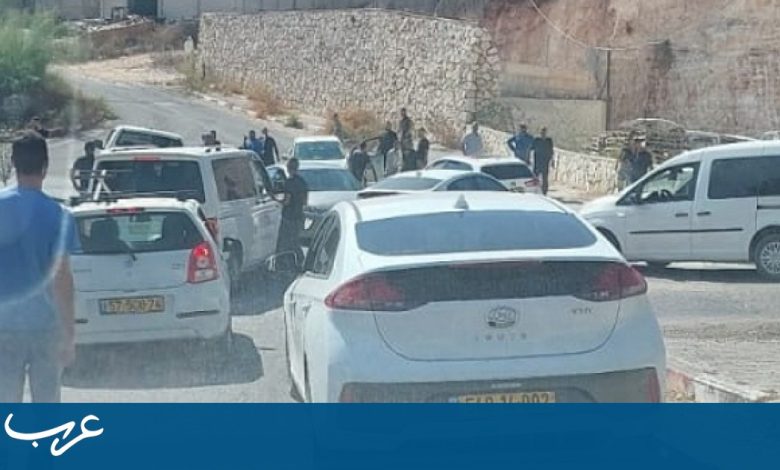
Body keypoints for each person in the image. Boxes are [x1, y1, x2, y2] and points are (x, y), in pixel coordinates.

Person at [0, 132, 79, 403]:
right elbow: (62, 279)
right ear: (45, 167)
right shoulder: (59, 216)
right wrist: (69, 333)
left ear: (13, 164)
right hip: (45, 328)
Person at [277, 158, 308, 265]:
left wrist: (277, 201)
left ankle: (287, 262)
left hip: (289, 216)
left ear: (288, 168)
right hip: (299, 215)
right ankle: (300, 260)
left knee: (285, 241)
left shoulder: (289, 183)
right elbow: (304, 201)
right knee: (295, 240)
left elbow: (287, 201)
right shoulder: (302, 182)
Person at [532, 127, 555, 195]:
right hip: (537, 161)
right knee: (535, 176)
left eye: (544, 132)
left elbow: (551, 151)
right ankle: (534, 189)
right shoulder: (537, 140)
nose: (543, 134)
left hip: (545, 161)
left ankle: (544, 191)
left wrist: (552, 160)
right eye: (542, 132)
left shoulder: (549, 141)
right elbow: (531, 148)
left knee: (545, 177)